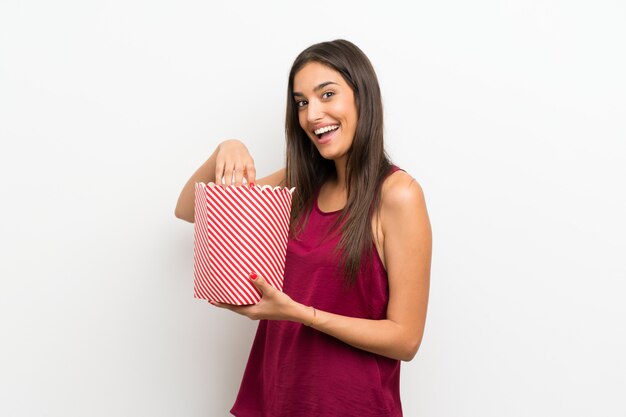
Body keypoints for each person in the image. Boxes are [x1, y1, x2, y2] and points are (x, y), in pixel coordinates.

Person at [175, 39, 431, 417]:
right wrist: (224, 150)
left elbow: (406, 339)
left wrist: (298, 313)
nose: (313, 114)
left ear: (363, 98)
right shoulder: (298, 186)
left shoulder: (399, 195)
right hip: (276, 398)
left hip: (349, 407)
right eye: (301, 102)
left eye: (327, 94)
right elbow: (190, 210)